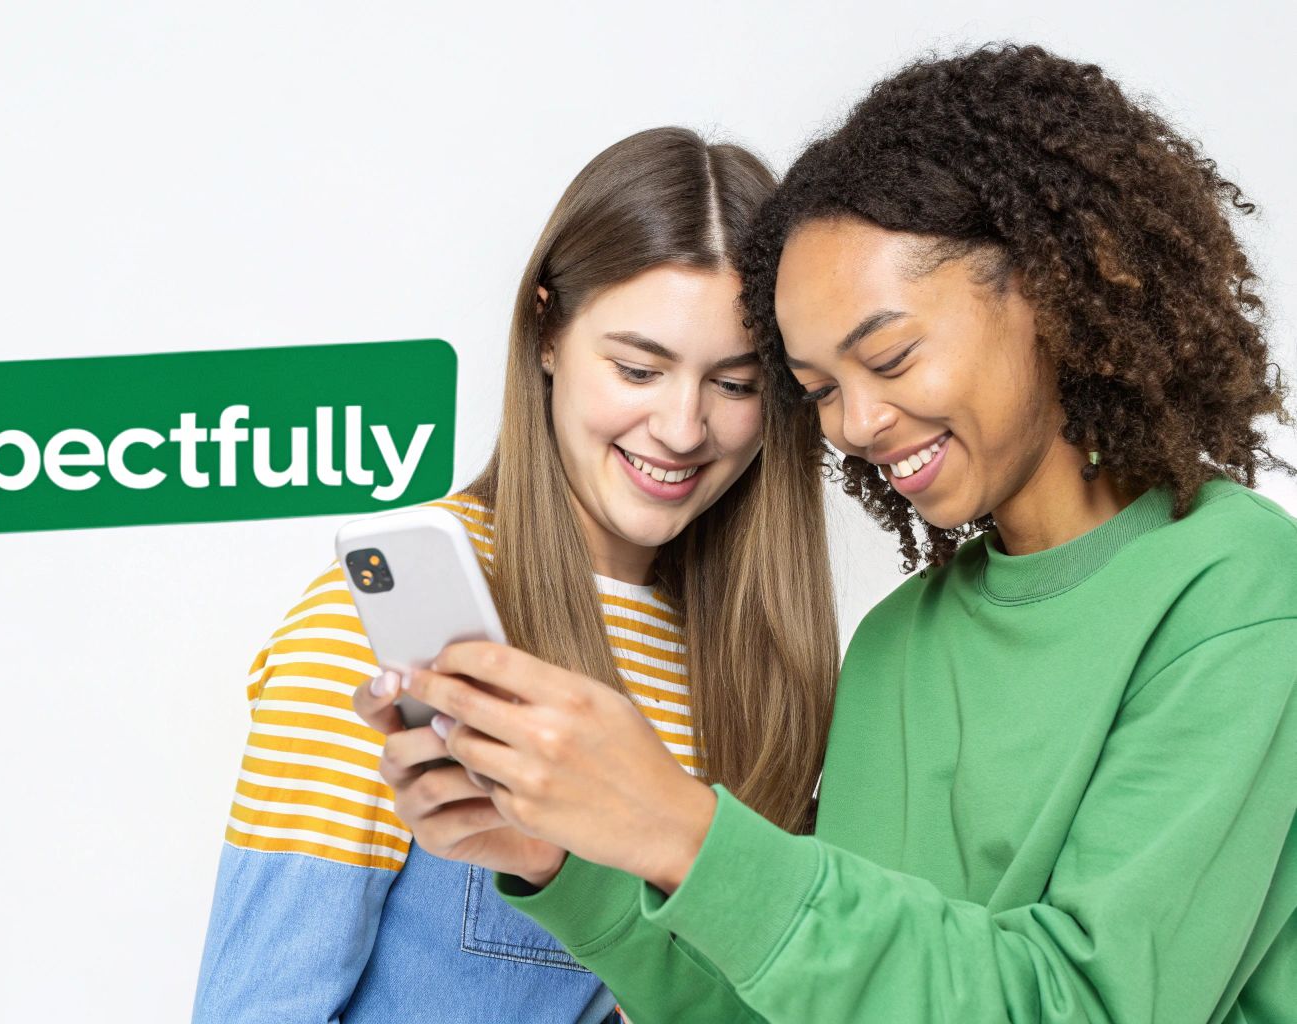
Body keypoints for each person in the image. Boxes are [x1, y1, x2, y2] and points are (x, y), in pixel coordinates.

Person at [359, 45, 1297, 1023]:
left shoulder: (1231, 589)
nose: (852, 425)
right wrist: (563, 865)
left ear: (1053, 286)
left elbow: (1088, 1005)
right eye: (815, 392)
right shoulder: (896, 646)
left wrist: (685, 830)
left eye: (887, 354)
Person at [193, 126, 838, 1023]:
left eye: (734, 385)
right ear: (546, 332)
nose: (683, 428)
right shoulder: (376, 625)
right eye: (638, 368)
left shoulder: (770, 670)